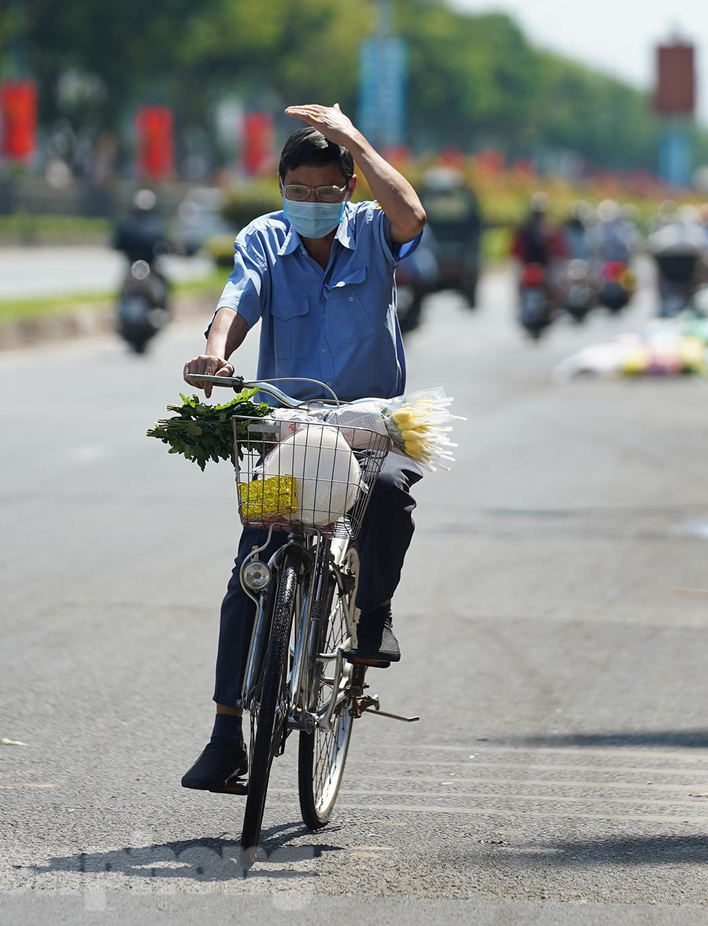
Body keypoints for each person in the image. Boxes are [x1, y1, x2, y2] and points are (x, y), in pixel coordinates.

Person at [179, 103, 427, 793]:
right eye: (298, 191)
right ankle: (228, 733)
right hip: (284, 425)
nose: (311, 203)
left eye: (325, 191)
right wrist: (212, 354)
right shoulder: (264, 238)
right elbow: (236, 299)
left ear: (346, 189)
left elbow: (412, 215)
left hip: (372, 422)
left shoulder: (376, 232)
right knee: (252, 570)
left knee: (387, 496)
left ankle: (372, 618)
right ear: (281, 187)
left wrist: (353, 138)